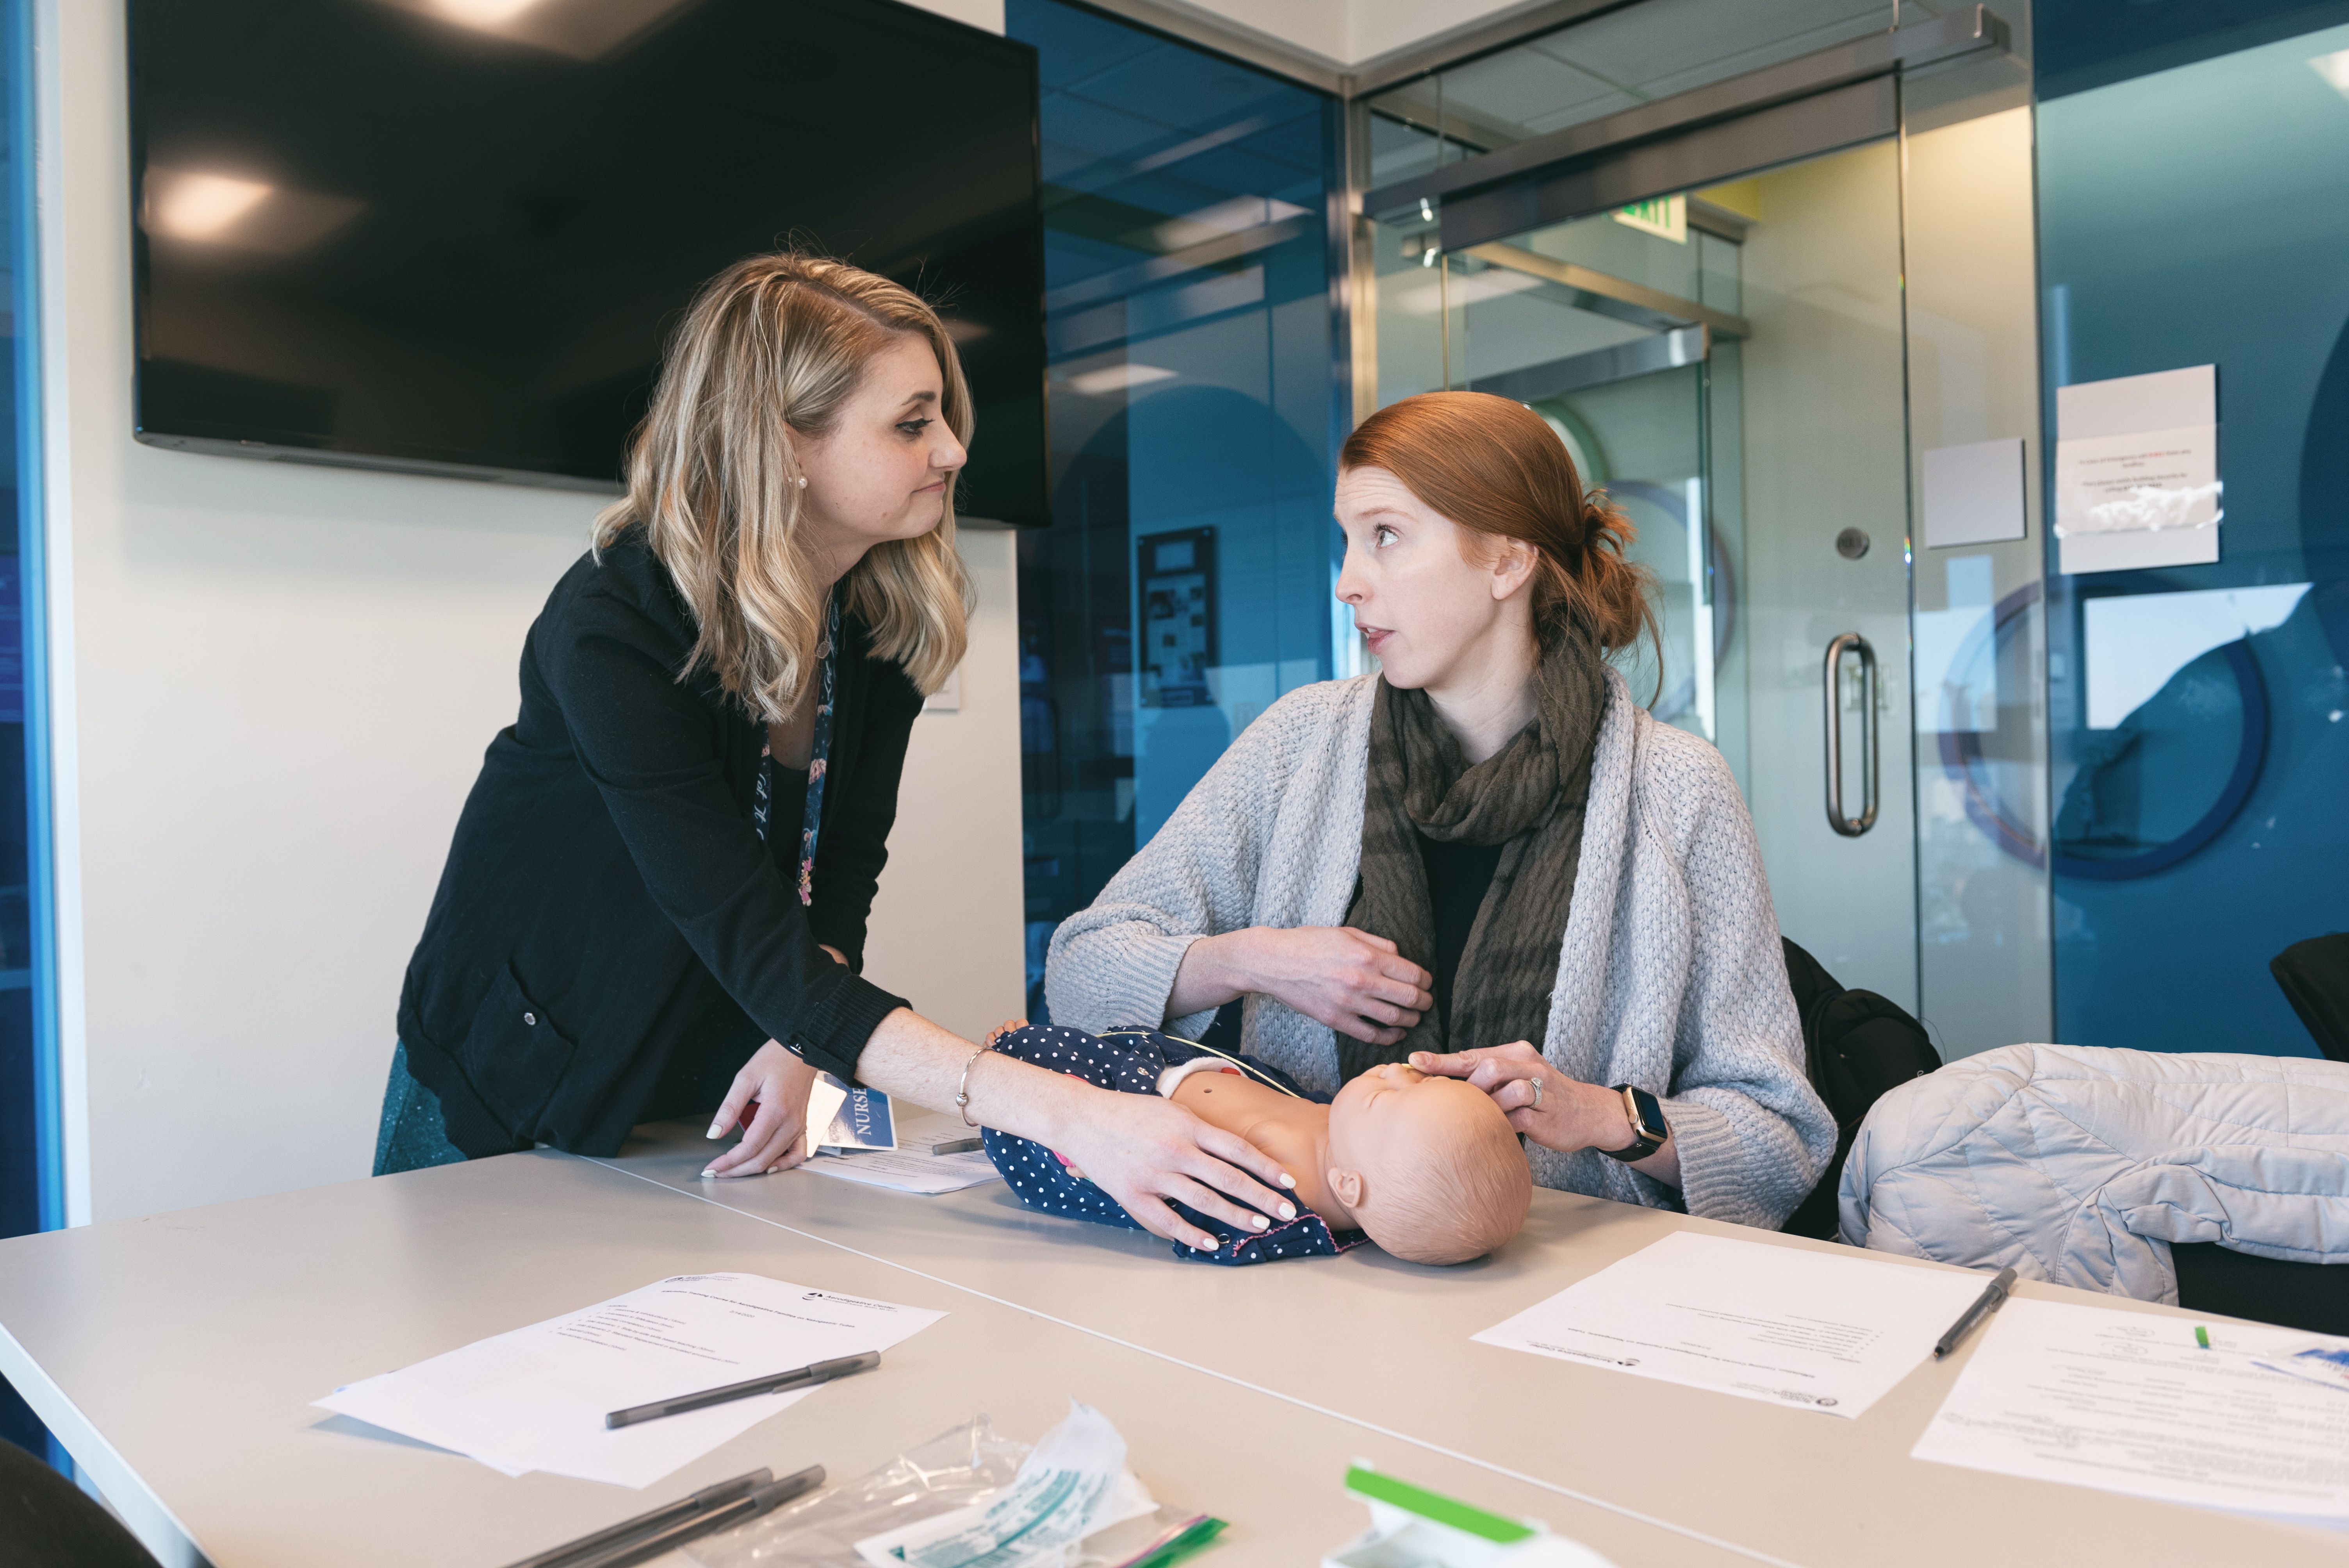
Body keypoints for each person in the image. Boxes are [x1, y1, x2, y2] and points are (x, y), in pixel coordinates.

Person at [380, 253, 1294, 1254]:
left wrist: (792, 1036)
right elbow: (740, 923)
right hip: (516, 1064)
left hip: (716, 1071)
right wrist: (1065, 1111)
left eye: (942, 416)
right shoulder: (617, 621)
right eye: (910, 424)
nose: (950, 450)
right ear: (784, 446)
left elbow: (838, 874)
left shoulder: (875, 621)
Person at [1046, 391, 1834, 1229]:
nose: (1348, 583)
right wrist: (1256, 959)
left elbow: (1780, 1138)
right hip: (1316, 1270)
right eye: (1346, 542)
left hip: (1569, 1283)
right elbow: (1079, 976)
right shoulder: (1297, 744)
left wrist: (1605, 1116)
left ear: (1504, 561)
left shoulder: (1677, 788)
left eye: (1384, 535)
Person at [977, 1020, 1531, 1265]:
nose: (1393, 1072)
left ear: (1347, 1186)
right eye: (1419, 1079)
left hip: (1108, 1110)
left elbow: (1210, 1224)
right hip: (1163, 1060)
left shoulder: (1275, 1200)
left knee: (1017, 1072)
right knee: (1026, 1058)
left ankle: (1007, 1079)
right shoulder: (1349, 1139)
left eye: (1388, 1097)